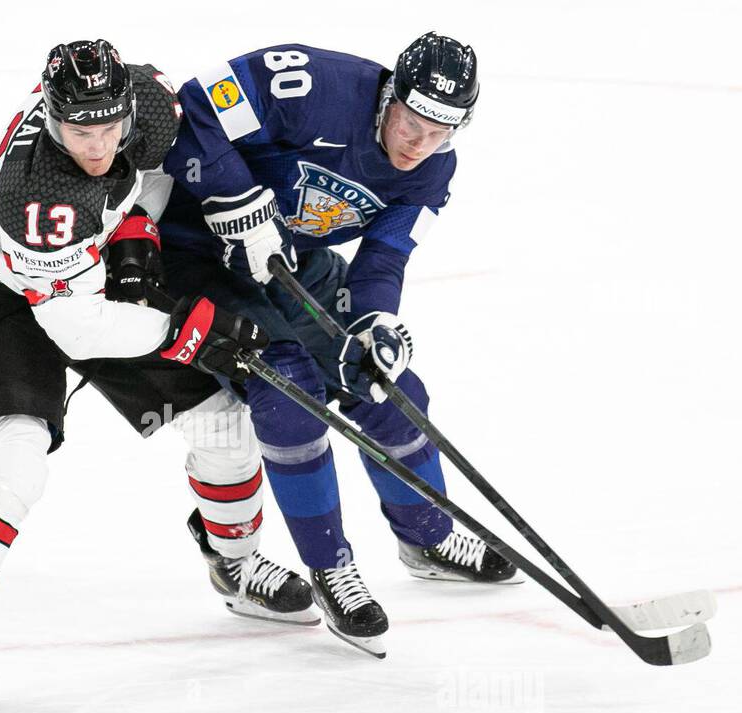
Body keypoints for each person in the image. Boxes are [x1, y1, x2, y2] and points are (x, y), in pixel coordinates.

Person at [0, 40, 317, 712]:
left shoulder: (144, 99)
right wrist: (189, 333)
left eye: (110, 129)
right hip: (4, 300)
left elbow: (162, 162)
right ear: (52, 117)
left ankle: (235, 565)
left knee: (225, 425)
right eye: (82, 133)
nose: (99, 145)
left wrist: (137, 227)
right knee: (16, 459)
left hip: (88, 278)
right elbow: (75, 327)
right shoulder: (38, 198)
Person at [159, 33, 518, 658]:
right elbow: (193, 107)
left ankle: (427, 537)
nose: (418, 145)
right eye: (412, 123)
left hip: (290, 262)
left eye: (439, 133)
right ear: (390, 97)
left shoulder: (434, 168)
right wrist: (232, 196)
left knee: (386, 386)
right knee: (288, 390)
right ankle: (331, 568)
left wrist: (375, 319)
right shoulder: (310, 86)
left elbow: (385, 254)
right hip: (192, 257)